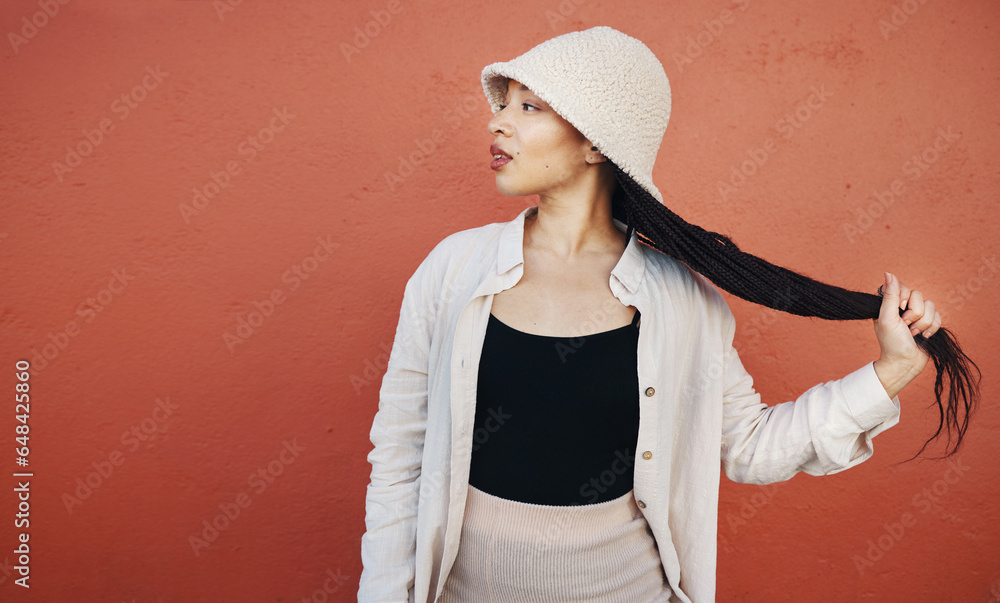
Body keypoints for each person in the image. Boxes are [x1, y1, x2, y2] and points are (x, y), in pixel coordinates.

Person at [358, 26, 978, 603]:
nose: (496, 122)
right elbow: (400, 453)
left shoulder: (680, 298)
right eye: (504, 104)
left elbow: (750, 447)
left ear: (597, 141)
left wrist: (891, 371)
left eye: (529, 107)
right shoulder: (451, 271)